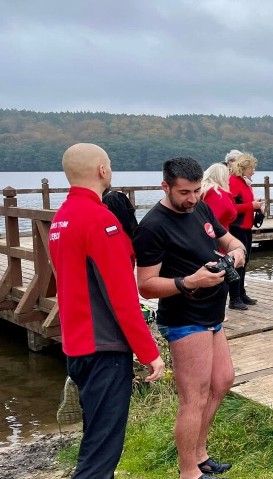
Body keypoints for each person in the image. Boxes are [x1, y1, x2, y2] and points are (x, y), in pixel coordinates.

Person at [48, 143, 165, 478]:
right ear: (102, 170)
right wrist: (148, 352)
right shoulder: (101, 220)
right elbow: (122, 296)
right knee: (101, 453)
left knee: (95, 437)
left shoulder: (61, 219)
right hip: (104, 349)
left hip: (77, 344)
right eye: (109, 164)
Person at [133, 157, 248, 479]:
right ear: (165, 186)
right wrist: (189, 282)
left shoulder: (199, 207)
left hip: (213, 314)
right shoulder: (152, 226)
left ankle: (199, 454)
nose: (192, 198)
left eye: (197, 190)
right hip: (184, 318)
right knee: (193, 397)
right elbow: (145, 286)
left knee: (222, 381)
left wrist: (237, 253)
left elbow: (230, 240)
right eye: (184, 192)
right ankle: (189, 472)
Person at [227, 152, 264, 310]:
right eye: (251, 168)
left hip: (246, 227)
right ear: (243, 168)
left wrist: (258, 209)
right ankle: (234, 298)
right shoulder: (234, 182)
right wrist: (252, 206)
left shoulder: (246, 183)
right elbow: (231, 208)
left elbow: (248, 203)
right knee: (237, 263)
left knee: (245, 261)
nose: (253, 172)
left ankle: (241, 293)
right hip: (237, 228)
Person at [201, 163, 237, 233]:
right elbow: (228, 210)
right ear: (222, 177)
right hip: (217, 234)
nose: (229, 180)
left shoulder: (201, 190)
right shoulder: (218, 193)